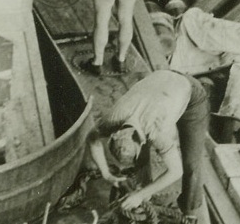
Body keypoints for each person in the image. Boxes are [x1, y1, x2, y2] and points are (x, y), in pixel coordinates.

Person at [88, 68, 211, 213]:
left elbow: (176, 171)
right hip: (163, 81)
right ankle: (144, 190)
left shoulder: (156, 132)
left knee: (191, 161)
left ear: (141, 141)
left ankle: (190, 209)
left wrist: (139, 196)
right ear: (115, 134)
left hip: (192, 95)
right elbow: (92, 139)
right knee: (143, 162)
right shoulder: (114, 118)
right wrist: (106, 174)